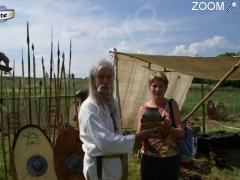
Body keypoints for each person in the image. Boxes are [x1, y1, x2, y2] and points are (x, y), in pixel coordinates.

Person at [78, 60, 161, 180]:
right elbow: (104, 142)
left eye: (109, 77)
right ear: (93, 81)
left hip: (114, 166)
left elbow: (116, 133)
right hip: (99, 170)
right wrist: (137, 137)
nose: (105, 81)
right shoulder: (89, 107)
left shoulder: (111, 103)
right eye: (101, 77)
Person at [136, 71, 185, 180]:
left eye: (161, 86)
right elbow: (138, 139)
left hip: (170, 159)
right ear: (149, 87)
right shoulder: (143, 109)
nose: (157, 89)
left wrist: (170, 129)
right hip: (149, 159)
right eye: (154, 86)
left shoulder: (172, 105)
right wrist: (144, 134)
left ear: (166, 88)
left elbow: (181, 133)